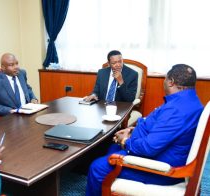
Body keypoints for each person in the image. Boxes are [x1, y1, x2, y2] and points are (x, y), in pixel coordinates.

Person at [86, 64, 204, 196]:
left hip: (161, 168)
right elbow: (161, 129)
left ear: (171, 82)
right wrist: (132, 131)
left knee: (97, 167)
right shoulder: (188, 100)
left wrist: (125, 141)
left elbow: (148, 148)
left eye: (165, 79)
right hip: (162, 153)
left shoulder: (177, 110)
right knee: (112, 148)